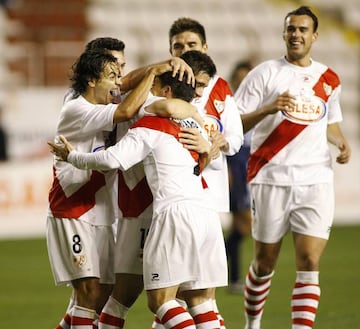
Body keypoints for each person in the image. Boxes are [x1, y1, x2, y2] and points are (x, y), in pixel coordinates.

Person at [49, 69, 228, 329]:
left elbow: (111, 160)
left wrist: (72, 156)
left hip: (174, 213)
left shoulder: (149, 124)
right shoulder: (195, 124)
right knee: (200, 301)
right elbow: (211, 156)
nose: (144, 94)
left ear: (165, 91)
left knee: (160, 300)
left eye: (151, 87)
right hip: (207, 215)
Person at [234, 6, 351, 329]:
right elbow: (235, 124)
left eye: (302, 29)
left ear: (314, 35)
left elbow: (329, 122)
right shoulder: (264, 74)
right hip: (270, 177)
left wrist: (340, 142)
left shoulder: (329, 79)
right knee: (264, 261)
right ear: (284, 33)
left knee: (310, 261)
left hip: (316, 179)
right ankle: (252, 323)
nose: (296, 34)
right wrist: (269, 108)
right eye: (291, 29)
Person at [98, 50, 218, 329]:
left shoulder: (184, 112)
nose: (198, 95)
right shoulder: (140, 101)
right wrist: (156, 70)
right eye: (195, 86)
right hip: (140, 208)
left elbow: (204, 153)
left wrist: (208, 150)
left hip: (173, 210)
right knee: (129, 298)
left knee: (189, 298)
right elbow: (159, 104)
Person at [161, 17, 244, 329]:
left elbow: (235, 139)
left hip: (210, 198)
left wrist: (220, 142)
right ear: (169, 50)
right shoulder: (163, 88)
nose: (185, 50)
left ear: (205, 48)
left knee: (197, 292)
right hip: (174, 198)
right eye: (178, 46)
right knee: (177, 291)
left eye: (191, 45)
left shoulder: (220, 89)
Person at [225, 60, 254, 294]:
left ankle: (232, 277)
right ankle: (232, 277)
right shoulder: (228, 104)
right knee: (243, 224)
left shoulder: (256, 100)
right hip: (235, 162)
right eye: (240, 78)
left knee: (242, 226)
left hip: (250, 162)